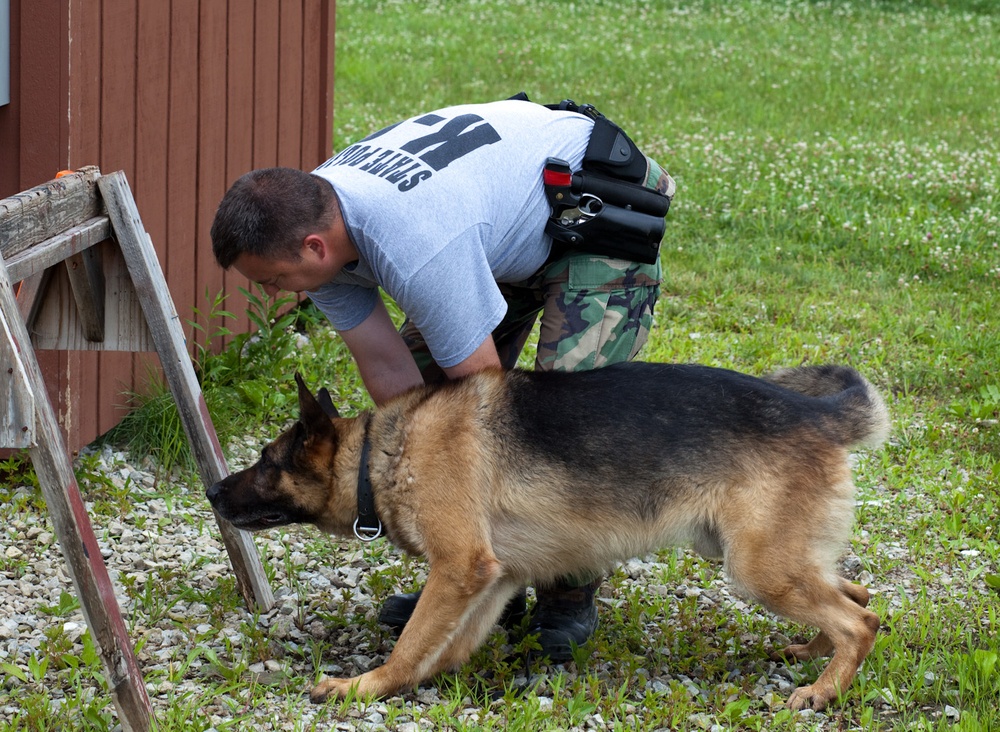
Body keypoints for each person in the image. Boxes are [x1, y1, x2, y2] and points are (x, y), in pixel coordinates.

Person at [211, 95, 675, 662]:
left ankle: (564, 595)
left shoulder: (415, 245)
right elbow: (392, 374)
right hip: (500, 225)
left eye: (273, 280)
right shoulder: (313, 226)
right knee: (426, 401)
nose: (272, 292)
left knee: (565, 427)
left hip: (594, 213)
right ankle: (461, 571)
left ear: (314, 246)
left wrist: (464, 503)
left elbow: (491, 412)